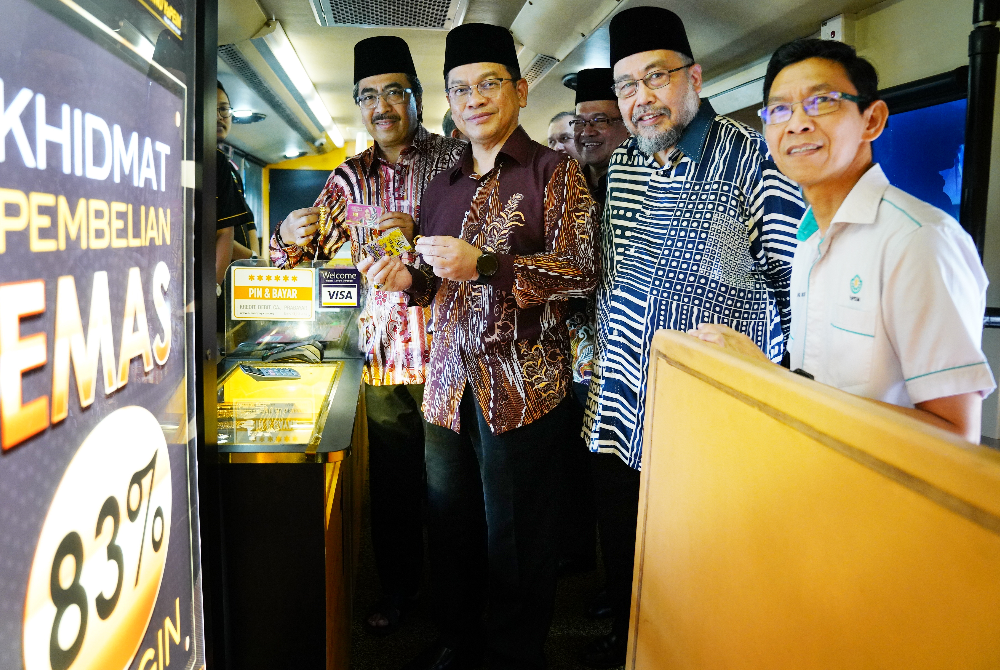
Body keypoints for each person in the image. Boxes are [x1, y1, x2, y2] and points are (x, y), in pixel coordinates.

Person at [364, 22, 598, 670]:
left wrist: (490, 266)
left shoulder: (555, 172)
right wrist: (407, 279)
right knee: (452, 527)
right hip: (446, 387)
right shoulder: (441, 187)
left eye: (489, 83)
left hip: (523, 388)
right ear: (448, 99)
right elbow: (438, 284)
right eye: (460, 88)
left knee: (517, 537)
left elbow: (582, 271)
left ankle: (513, 653)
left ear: (519, 91)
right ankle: (458, 640)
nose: (474, 98)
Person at [580, 7, 806, 668]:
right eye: (626, 85)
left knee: (706, 578)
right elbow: (610, 273)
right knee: (626, 557)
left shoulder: (759, 160)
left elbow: (796, 293)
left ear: (695, 77)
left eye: (656, 77)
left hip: (714, 419)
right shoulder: (621, 166)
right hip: (622, 408)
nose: (641, 98)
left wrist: (784, 393)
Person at [690, 38, 995, 441]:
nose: (797, 122)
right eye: (780, 109)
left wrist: (768, 380)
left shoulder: (918, 240)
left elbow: (954, 436)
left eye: (822, 102)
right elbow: (817, 386)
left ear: (872, 120)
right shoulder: (809, 242)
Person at [269, 35, 465, 635]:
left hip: (452, 358)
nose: (381, 106)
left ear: (417, 97)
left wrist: (425, 223)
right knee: (395, 493)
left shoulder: (455, 160)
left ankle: (455, 608)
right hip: (384, 364)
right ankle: (401, 592)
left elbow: (487, 242)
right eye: (368, 96)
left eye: (393, 93)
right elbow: (295, 269)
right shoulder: (349, 179)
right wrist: (288, 234)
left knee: (452, 495)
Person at [215, 82, 250, 331]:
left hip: (227, 281)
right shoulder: (215, 162)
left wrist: (255, 261)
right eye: (212, 108)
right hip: (212, 287)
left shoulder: (227, 167)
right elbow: (220, 233)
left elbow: (247, 223)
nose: (219, 117)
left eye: (224, 109)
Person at [570, 68, 630, 208]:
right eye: (579, 122)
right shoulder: (566, 187)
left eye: (599, 120)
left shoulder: (647, 182)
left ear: (627, 126)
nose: (587, 131)